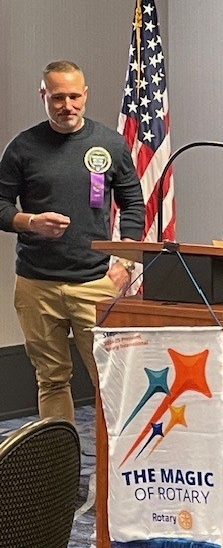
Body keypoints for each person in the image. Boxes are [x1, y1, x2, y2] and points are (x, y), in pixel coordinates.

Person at [0, 60, 145, 424]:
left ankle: (115, 460)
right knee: (51, 380)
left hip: (95, 283)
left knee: (110, 382)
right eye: (58, 97)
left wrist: (126, 262)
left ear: (86, 95)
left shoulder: (109, 144)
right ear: (43, 95)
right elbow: (0, 205)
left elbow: (133, 203)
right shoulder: (22, 147)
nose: (67, 105)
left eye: (74, 96)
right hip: (37, 285)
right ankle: (61, 456)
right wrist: (30, 222)